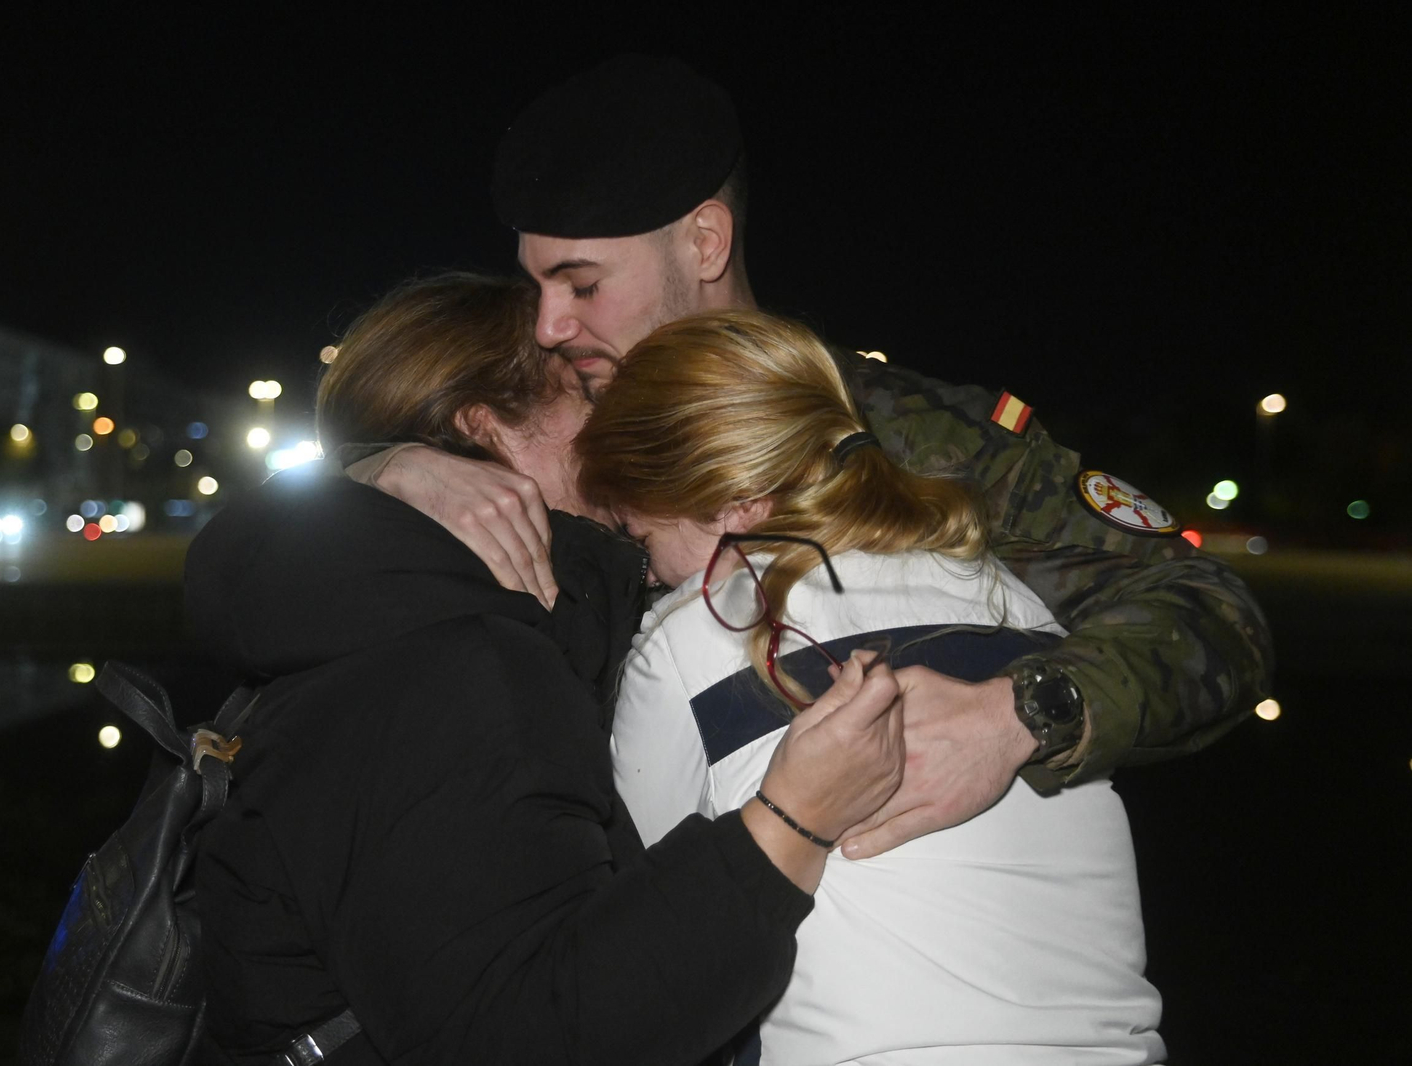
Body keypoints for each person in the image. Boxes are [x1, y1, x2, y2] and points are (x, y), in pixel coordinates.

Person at [343, 55, 1273, 860]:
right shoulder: (548, 417)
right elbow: (282, 579)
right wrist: (381, 477)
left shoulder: (904, 431)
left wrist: (1026, 713)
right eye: (538, 286)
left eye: (581, 285)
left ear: (705, 241)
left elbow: (1210, 612)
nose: (549, 324)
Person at [186, 273, 906, 1065]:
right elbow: (529, 1034)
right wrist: (793, 824)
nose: (633, 425)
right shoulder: (460, 664)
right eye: (594, 397)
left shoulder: (411, 615)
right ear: (488, 429)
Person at [577, 308, 1166, 1064]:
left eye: (642, 538)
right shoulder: (1021, 606)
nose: (650, 574)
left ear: (734, 504)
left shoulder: (694, 634)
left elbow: (659, 925)